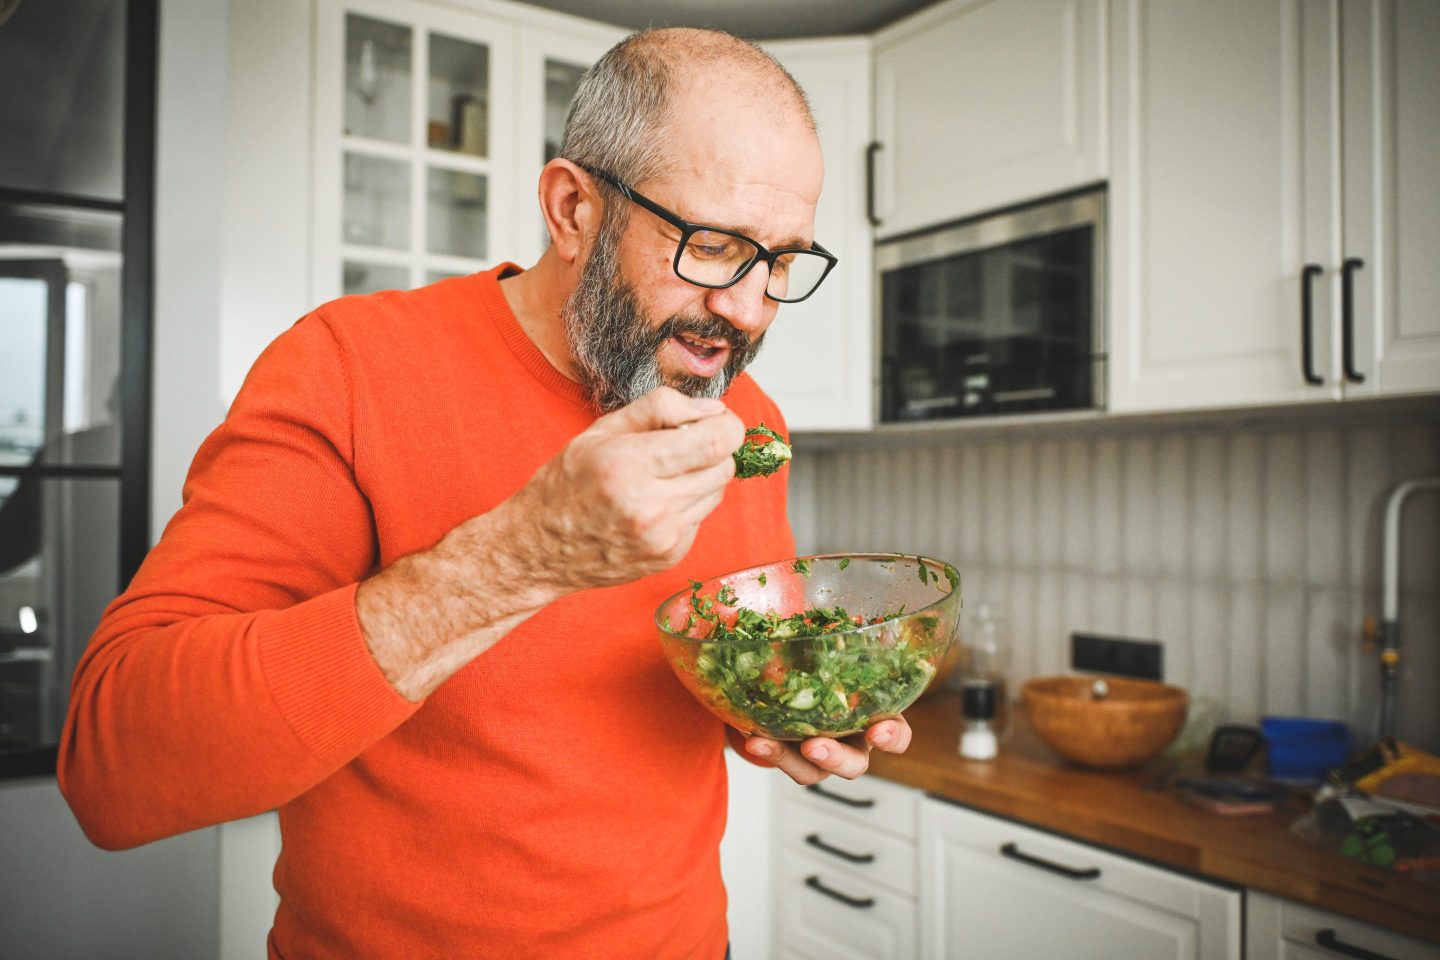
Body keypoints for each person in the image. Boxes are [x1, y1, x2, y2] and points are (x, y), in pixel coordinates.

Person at [57, 27, 913, 960]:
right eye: (713, 247)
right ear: (573, 208)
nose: (749, 312)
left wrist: (799, 708)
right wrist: (517, 560)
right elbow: (114, 769)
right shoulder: (348, 368)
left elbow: (699, 684)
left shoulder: (752, 422)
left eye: (782, 262)